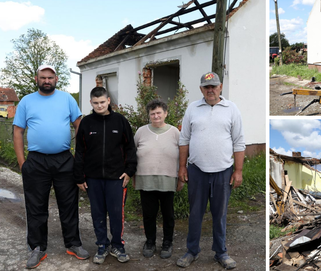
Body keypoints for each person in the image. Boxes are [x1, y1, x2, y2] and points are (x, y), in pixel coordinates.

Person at [13, 65, 89, 269]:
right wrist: (22, 163)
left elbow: (79, 125)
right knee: (36, 206)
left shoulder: (67, 99)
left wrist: (78, 157)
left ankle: (73, 243)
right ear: (36, 79)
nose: (47, 80)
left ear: (56, 79)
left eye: (50, 77)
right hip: (36, 161)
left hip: (64, 159)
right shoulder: (26, 101)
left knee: (69, 204)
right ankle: (37, 248)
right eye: (43, 77)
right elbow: (18, 131)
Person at [176, 72, 245, 269]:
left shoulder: (231, 109)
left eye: (214, 86)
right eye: (207, 87)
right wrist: (182, 167)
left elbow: (239, 141)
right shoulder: (193, 108)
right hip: (197, 170)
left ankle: (221, 252)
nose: (211, 90)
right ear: (201, 89)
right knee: (195, 213)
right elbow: (184, 140)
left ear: (220, 87)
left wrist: (238, 170)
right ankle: (192, 251)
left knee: (220, 213)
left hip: (223, 171)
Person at [73, 87, 137, 264]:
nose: (99, 105)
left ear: (108, 100)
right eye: (96, 103)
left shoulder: (120, 121)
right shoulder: (86, 123)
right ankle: (102, 245)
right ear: (91, 103)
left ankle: (118, 245)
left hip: (116, 178)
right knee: (97, 213)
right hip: (93, 178)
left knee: (117, 214)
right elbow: (79, 151)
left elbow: (130, 148)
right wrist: (79, 176)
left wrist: (129, 171)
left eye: (102, 102)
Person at [134, 99, 182, 259]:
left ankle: (167, 243)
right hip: (145, 179)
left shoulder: (175, 132)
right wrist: (133, 175)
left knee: (168, 214)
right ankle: (150, 242)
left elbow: (183, 156)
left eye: (159, 113)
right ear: (149, 115)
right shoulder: (141, 131)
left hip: (168, 179)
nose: (155, 116)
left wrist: (181, 178)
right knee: (149, 214)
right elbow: (133, 155)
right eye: (152, 113)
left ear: (166, 113)